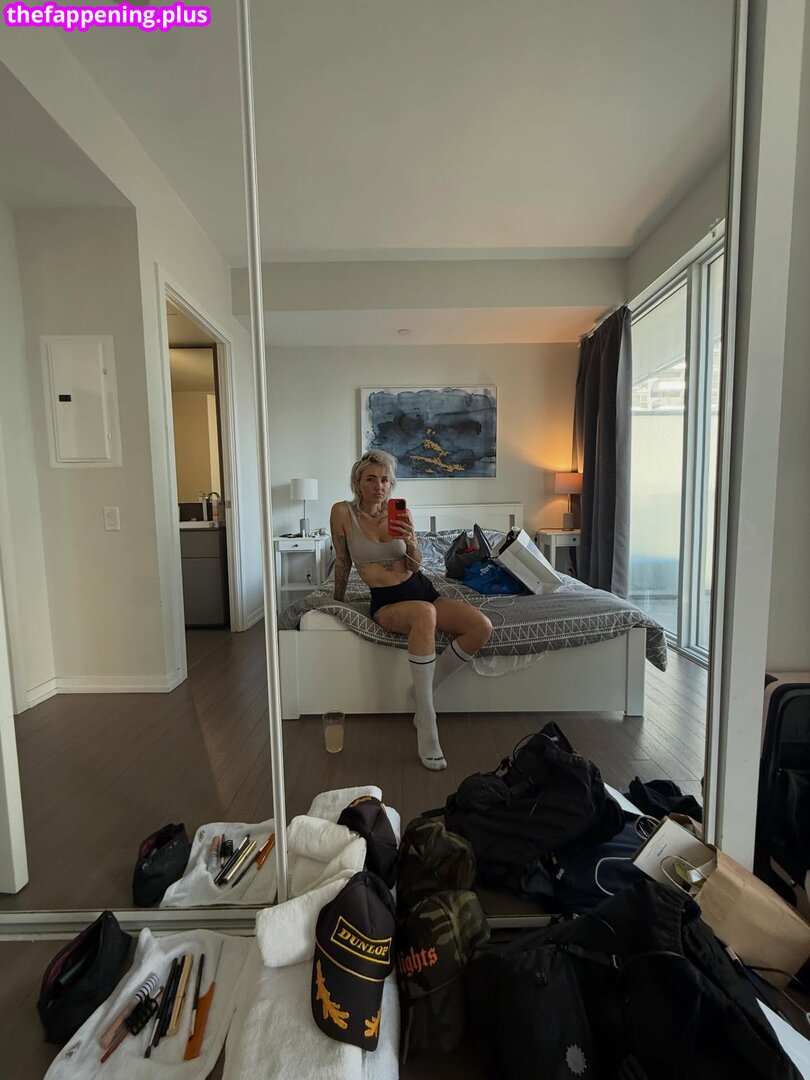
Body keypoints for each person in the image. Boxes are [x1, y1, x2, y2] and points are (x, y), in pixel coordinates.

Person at [330, 450, 492, 771]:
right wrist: (337, 600)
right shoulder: (342, 512)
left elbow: (414, 565)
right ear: (358, 483)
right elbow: (343, 561)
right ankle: (428, 721)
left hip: (421, 588)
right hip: (387, 601)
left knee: (481, 627)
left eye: (385, 480)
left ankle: (422, 695)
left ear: (391, 485)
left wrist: (412, 541)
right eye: (371, 479)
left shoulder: (401, 513)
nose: (378, 486)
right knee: (424, 614)